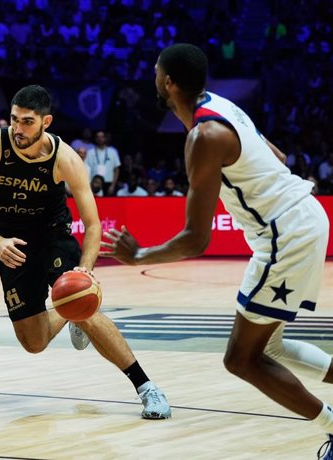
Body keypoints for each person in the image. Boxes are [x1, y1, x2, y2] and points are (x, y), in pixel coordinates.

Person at [100, 43, 333, 457]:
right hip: (302, 217)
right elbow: (278, 155)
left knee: (241, 359)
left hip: (285, 235)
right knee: (271, 347)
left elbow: (196, 239)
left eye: (156, 72)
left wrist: (138, 257)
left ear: (169, 82)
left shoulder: (203, 136)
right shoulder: (222, 107)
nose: (154, 77)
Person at [0, 84, 171, 419]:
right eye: (14, 120)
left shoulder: (65, 158)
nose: (17, 129)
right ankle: (68, 311)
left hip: (53, 237)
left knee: (83, 303)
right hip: (11, 244)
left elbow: (93, 223)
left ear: (46, 122)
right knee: (34, 342)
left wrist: (85, 270)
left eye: (27, 122)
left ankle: (147, 388)